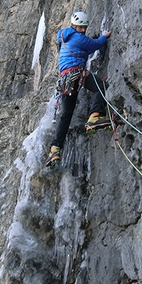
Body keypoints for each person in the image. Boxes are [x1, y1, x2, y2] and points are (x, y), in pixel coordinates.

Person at [46, 11, 112, 167]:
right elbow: (95, 45)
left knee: (66, 115)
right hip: (76, 73)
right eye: (80, 27)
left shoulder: (64, 37)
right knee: (101, 86)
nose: (82, 30)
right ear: (74, 26)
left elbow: (85, 50)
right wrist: (104, 36)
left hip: (65, 80)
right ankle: (94, 117)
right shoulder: (78, 37)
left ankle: (55, 149)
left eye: (84, 27)